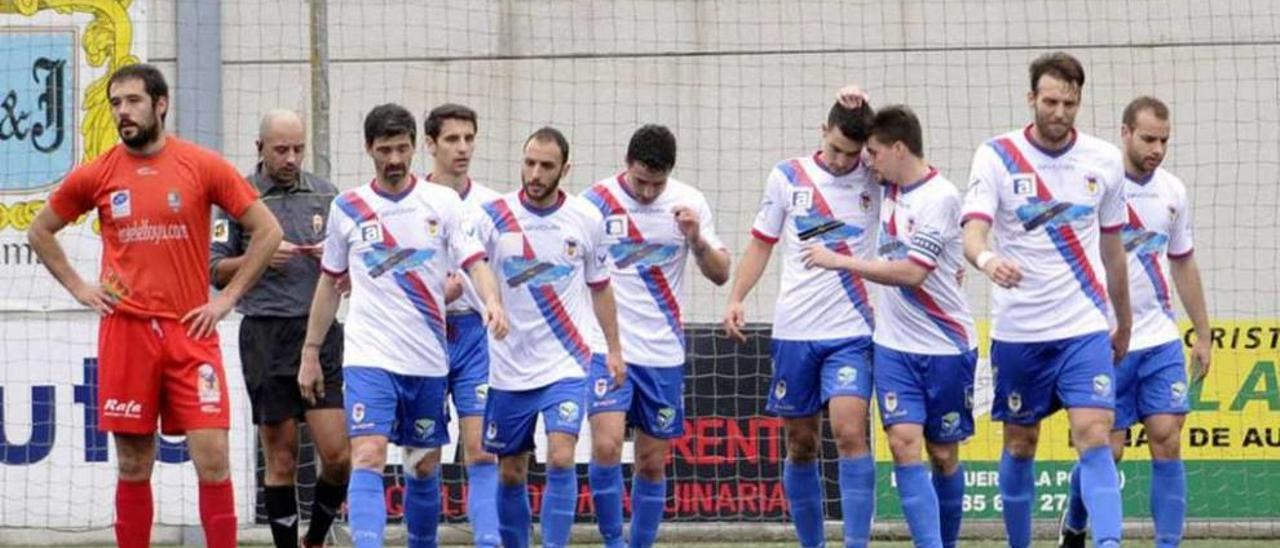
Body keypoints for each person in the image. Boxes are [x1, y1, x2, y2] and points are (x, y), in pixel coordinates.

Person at [27, 63, 283, 548]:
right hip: (127, 333)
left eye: (133, 101)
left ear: (160, 104)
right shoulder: (98, 173)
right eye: (116, 103)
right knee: (132, 463)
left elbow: (268, 231)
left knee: (213, 459)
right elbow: (39, 231)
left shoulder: (201, 165)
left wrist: (227, 298)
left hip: (192, 333)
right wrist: (81, 288)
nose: (124, 111)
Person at [300, 103, 508, 547]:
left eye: (401, 149)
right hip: (370, 356)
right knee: (368, 455)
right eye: (384, 150)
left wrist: (491, 300)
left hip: (427, 357)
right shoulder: (348, 207)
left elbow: (476, 261)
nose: (394, 160)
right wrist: (311, 351)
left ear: (415, 147)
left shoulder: (442, 202)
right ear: (368, 149)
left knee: (423, 465)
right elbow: (330, 282)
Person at [961, 51, 1132, 548]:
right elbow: (974, 233)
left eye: (1070, 103)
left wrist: (1123, 319)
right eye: (1051, 101)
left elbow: (1112, 248)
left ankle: (1107, 543)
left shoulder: (1103, 160)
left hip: (1083, 325)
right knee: (1021, 443)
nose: (1059, 112)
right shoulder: (995, 155)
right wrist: (990, 261)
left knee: (1096, 436)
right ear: (1031, 98)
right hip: (1020, 331)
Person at [803, 105, 976, 548]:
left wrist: (840, 261)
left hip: (945, 346)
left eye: (874, 153)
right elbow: (839, 145)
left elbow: (913, 273)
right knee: (903, 444)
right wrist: (853, 99)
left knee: (942, 455)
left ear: (899, 149)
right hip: (893, 346)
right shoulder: (887, 184)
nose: (867, 161)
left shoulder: (940, 197)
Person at [723, 91, 880, 548]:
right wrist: (737, 296)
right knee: (801, 444)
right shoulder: (787, 176)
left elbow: (906, 156)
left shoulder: (876, 177)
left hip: (852, 330)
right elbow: (761, 243)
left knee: (850, 430)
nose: (840, 161)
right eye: (834, 149)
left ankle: (856, 544)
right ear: (822, 132)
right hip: (795, 331)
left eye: (851, 153)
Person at [1057, 96, 1211, 548]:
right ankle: (1074, 524)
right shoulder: (1096, 185)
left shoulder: (1173, 191)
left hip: (1159, 339)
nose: (1157, 149)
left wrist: (1202, 333)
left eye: (1164, 140)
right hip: (1102, 339)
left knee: (1167, 438)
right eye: (1148, 138)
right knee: (1110, 450)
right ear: (1124, 133)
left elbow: (1183, 263)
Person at [582, 124, 731, 548]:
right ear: (626, 164)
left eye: (657, 184)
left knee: (651, 462)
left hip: (663, 353)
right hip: (606, 348)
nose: (647, 193)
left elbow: (721, 273)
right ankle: (613, 542)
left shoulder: (689, 203)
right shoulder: (595, 203)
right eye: (641, 182)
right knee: (607, 447)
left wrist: (696, 238)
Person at [475, 127, 624, 548]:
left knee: (561, 456)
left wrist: (613, 349)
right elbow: (473, 266)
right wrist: (490, 301)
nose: (535, 174)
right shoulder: (493, 216)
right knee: (510, 471)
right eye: (529, 163)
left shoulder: (585, 219)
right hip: (509, 365)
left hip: (567, 362)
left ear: (565, 169)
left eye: (546, 166)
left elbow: (600, 286)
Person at [209, 109, 350, 548]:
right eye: (281, 149)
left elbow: (354, 263)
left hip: (320, 332)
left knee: (338, 454)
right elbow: (214, 270)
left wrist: (344, 268)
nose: (291, 158)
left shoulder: (327, 196)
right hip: (265, 334)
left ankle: (317, 538)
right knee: (282, 457)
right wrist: (259, 257)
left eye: (298, 149)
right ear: (260, 149)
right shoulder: (238, 198)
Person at [420, 103, 504, 547]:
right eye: (452, 139)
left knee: (482, 449)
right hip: (423, 335)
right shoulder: (414, 198)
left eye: (469, 138)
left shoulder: (491, 204)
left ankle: (489, 539)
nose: (463, 148)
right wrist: (437, 294)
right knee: (424, 456)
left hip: (474, 335)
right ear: (430, 144)